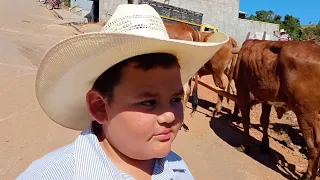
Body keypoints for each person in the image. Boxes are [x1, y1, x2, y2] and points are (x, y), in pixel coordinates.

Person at [17, 3, 228, 180]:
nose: (170, 115)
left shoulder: (178, 168)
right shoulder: (51, 175)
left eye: (175, 99)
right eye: (148, 102)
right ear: (100, 107)